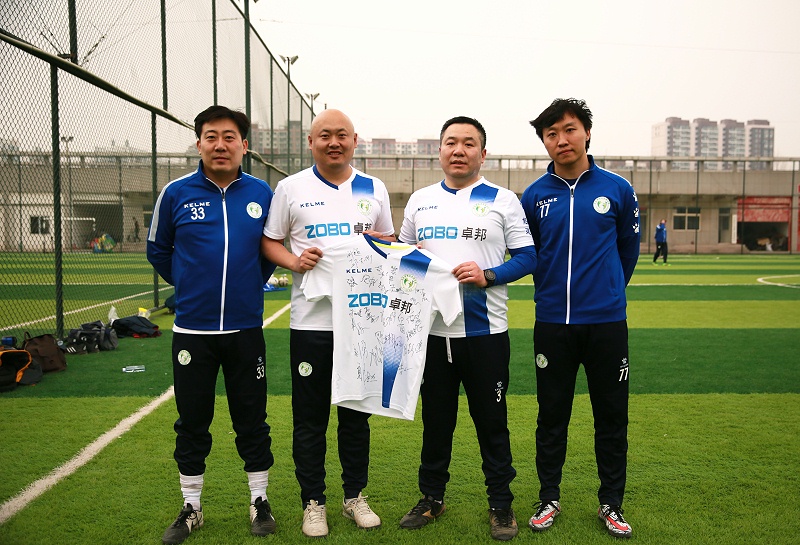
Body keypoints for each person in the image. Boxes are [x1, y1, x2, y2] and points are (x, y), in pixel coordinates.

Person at [397, 116, 536, 541]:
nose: (459, 150)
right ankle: (431, 498)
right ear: (439, 150)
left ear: (483, 153)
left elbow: (528, 257)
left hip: (484, 336)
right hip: (432, 336)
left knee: (492, 423)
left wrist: (488, 275)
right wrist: (402, 254)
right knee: (436, 423)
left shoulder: (503, 200)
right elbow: (403, 257)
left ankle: (501, 504)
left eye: (469, 143)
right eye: (451, 142)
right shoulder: (420, 201)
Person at [261, 109, 395, 538]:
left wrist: (377, 246)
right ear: (311, 142)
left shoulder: (373, 188)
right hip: (311, 324)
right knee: (310, 418)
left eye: (341, 135)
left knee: (356, 416)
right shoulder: (290, 188)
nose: (333, 142)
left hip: (361, 322)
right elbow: (270, 240)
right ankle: (313, 502)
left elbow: (389, 240)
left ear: (355, 140)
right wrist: (295, 262)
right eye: (324, 135)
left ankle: (354, 496)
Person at [147, 105, 277, 544]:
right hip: (193, 332)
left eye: (229, 137)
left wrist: (248, 283)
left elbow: (268, 252)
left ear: (244, 145)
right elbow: (158, 250)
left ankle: (259, 500)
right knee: (192, 421)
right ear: (199, 143)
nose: (220, 145)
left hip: (245, 330)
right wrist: (189, 284)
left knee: (252, 419)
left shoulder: (261, 193)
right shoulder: (176, 193)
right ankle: (191, 507)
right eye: (211, 137)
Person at [520, 98, 640, 539]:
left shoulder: (618, 189)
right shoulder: (534, 196)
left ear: (586, 132)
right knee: (551, 416)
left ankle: (611, 503)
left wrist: (608, 292)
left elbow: (628, 251)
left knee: (611, 417)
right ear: (544, 142)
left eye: (569, 129)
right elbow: (530, 253)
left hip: (607, 325)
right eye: (551, 134)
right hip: (553, 324)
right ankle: (548, 497)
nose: (561, 140)